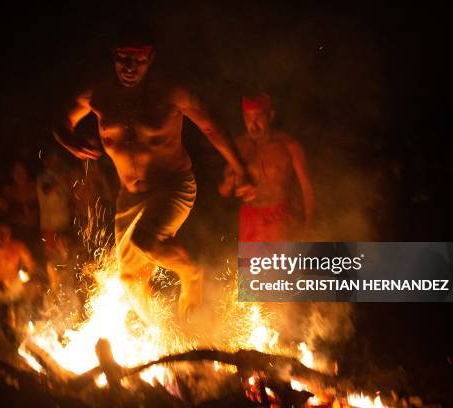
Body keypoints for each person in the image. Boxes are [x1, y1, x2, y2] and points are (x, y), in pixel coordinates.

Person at [54, 26, 254, 318]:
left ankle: (192, 274)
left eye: (139, 59)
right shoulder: (98, 93)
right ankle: (158, 334)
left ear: (151, 58)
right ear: (114, 56)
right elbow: (61, 120)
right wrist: (68, 140)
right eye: (123, 57)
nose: (130, 66)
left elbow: (211, 127)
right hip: (129, 196)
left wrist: (241, 169)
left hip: (173, 186)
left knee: (147, 240)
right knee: (130, 279)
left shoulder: (171, 92)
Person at [220, 92, 315, 241]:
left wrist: (309, 226)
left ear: (270, 116)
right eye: (248, 118)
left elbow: (307, 188)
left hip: (280, 216)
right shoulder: (239, 146)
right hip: (249, 218)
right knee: (251, 265)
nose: (253, 124)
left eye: (258, 117)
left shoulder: (289, 145)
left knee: (281, 264)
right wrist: (232, 184)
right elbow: (224, 191)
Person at [36, 151, 73, 260]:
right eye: (52, 160)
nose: (55, 162)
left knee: (65, 254)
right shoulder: (42, 178)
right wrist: (60, 182)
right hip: (49, 224)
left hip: (64, 222)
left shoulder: (64, 176)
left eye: (56, 160)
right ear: (46, 162)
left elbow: (68, 196)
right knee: (52, 255)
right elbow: (46, 190)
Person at [3, 161, 39, 248]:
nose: (19, 174)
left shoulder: (35, 187)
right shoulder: (8, 190)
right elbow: (5, 208)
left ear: (27, 172)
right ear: (12, 174)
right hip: (16, 232)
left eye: (22, 170)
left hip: (34, 231)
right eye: (16, 171)